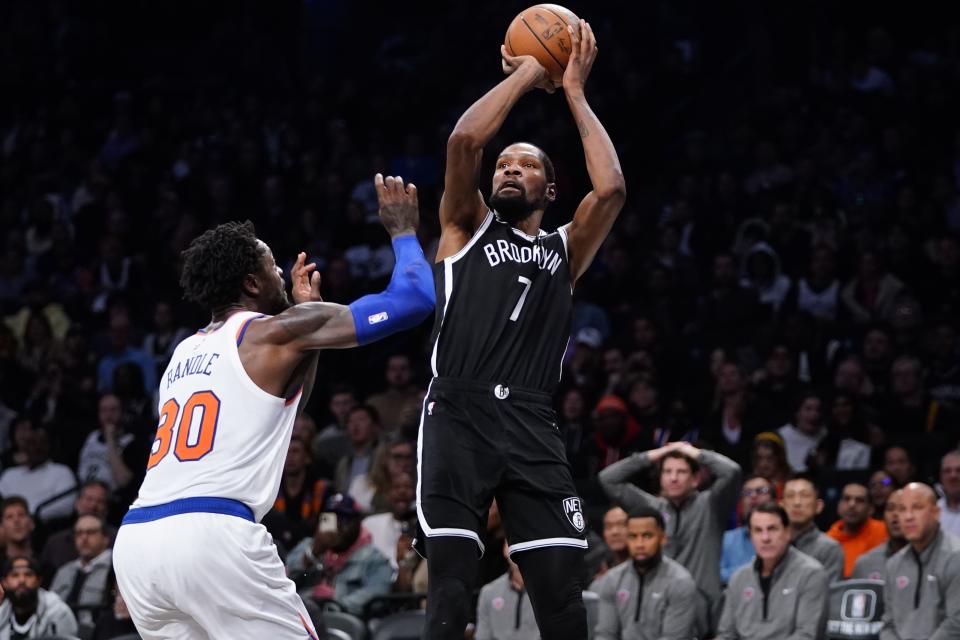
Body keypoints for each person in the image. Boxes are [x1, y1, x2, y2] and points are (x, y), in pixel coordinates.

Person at [112, 174, 434, 639]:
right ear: (250, 281)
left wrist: (310, 339)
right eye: (270, 264)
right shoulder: (274, 332)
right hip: (213, 533)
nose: (281, 271)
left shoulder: (181, 354)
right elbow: (414, 300)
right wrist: (403, 231)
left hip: (139, 543)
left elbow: (275, 418)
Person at [418, 20, 625, 640]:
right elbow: (463, 141)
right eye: (504, 164)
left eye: (526, 167)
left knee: (562, 598)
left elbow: (611, 188)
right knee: (452, 589)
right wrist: (532, 72)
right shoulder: (465, 227)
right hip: (459, 409)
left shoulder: (566, 249)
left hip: (532, 420)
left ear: (551, 188)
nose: (508, 170)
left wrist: (576, 95)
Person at [600, 441, 741, 621]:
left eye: (681, 472)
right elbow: (608, 478)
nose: (673, 478)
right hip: (659, 608)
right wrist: (659, 453)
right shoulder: (652, 508)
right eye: (667, 471)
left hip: (705, 612)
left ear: (696, 479)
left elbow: (732, 471)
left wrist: (693, 452)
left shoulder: (711, 505)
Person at [715, 503, 829, 640]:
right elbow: (726, 635)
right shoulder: (739, 578)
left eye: (772, 529)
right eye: (758, 530)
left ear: (787, 532)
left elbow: (807, 635)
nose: (765, 538)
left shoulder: (811, 574)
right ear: (751, 536)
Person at [594, 506, 701, 640]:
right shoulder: (612, 579)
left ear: (662, 538)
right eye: (633, 536)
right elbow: (606, 635)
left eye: (647, 536)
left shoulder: (680, 581)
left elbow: (674, 638)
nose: (639, 544)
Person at [285, 493, 394, 616]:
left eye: (344, 519)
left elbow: (377, 593)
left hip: (347, 623)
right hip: (303, 618)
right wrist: (315, 551)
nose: (337, 526)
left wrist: (333, 602)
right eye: (331, 519)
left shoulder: (374, 558)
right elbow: (284, 578)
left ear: (357, 523)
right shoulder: (310, 546)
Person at [880, 482, 960, 640]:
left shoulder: (955, 557)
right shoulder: (894, 564)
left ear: (936, 513)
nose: (908, 516)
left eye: (917, 507)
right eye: (902, 509)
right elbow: (888, 624)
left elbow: (956, 623)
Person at [0, 424, 76, 522]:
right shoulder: (10, 474)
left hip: (43, 528)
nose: (34, 448)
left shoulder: (61, 472)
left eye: (39, 443)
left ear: (48, 446)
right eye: (30, 443)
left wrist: (29, 516)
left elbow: (66, 507)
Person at [49, 515, 112, 626]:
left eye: (90, 532)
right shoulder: (64, 571)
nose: (84, 538)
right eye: (79, 533)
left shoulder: (115, 568)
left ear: (105, 538)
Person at [39, 480, 114, 570]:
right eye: (89, 499)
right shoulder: (56, 543)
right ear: (77, 503)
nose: (93, 505)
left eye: (100, 501)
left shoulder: (118, 540)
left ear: (106, 508)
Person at [781, 476, 845, 582]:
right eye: (790, 496)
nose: (797, 502)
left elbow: (831, 594)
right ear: (782, 506)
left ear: (818, 506)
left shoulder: (829, 548)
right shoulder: (774, 545)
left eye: (804, 495)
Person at [0, 556, 78, 639]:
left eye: (28, 575)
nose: (22, 580)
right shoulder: (1, 612)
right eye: (15, 575)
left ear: (38, 580)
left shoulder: (58, 612)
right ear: (4, 582)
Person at [475, 541, 538, 640]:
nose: (519, 549)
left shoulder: (549, 593)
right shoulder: (489, 592)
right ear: (505, 549)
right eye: (515, 542)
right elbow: (482, 636)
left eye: (524, 542)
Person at [826, 482, 888, 577]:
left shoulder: (885, 532)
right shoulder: (828, 540)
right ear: (839, 506)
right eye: (846, 499)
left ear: (871, 509)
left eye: (859, 500)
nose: (852, 504)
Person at [721, 476, 776, 584]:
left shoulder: (783, 537)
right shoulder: (726, 539)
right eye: (747, 493)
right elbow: (716, 574)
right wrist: (754, 571)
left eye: (761, 491)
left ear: (774, 500)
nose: (754, 496)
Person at [852, 489, 906, 580]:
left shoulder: (933, 560)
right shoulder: (865, 563)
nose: (895, 514)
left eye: (902, 508)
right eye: (890, 508)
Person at [937, 450, 960, 538]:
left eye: (959, 470)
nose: (953, 476)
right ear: (941, 477)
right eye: (947, 471)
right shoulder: (932, 513)